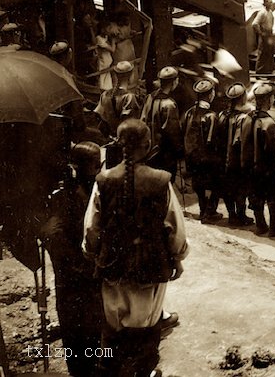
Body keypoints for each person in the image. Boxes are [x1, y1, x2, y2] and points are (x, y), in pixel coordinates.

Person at [83, 119, 188, 377]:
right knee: (146, 327)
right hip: (150, 268)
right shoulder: (162, 181)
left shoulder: (103, 180)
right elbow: (174, 228)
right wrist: (178, 258)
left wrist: (93, 254)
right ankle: (143, 371)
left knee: (114, 328)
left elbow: (91, 229)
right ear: (148, 145)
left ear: (119, 145)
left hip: (112, 267)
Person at [41, 142, 104, 377]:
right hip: (75, 280)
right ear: (78, 167)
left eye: (100, 164)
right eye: (94, 165)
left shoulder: (95, 191)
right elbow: (53, 236)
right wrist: (81, 267)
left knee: (96, 336)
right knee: (78, 338)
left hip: (91, 278)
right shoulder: (66, 197)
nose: (98, 170)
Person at [182, 78, 223, 223]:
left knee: (198, 184)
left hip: (192, 156)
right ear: (210, 94)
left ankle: (202, 209)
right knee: (217, 184)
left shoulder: (189, 113)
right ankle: (210, 211)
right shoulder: (211, 116)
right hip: (207, 157)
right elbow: (212, 140)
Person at [242, 83, 275, 235]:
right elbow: (273, 149)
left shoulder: (247, 118)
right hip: (266, 168)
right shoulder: (269, 123)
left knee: (255, 196)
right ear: (268, 100)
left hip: (250, 166)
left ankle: (260, 225)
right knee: (273, 197)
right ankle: (274, 229)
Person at [140, 66, 183, 180]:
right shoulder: (169, 104)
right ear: (174, 82)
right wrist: (179, 150)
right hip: (163, 153)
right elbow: (173, 132)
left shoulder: (150, 97)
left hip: (148, 149)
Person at [221, 83, 252, 227]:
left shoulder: (222, 115)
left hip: (223, 158)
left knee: (227, 188)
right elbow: (239, 141)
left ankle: (231, 215)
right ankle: (240, 215)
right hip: (236, 160)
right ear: (243, 98)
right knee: (240, 189)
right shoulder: (243, 118)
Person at [95, 60, 142, 138]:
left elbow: (100, 118)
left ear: (116, 74)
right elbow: (131, 124)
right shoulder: (129, 97)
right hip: (125, 138)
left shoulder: (105, 94)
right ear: (130, 74)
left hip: (110, 137)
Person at [252, 0, 275, 75]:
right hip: (264, 34)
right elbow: (255, 24)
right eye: (269, 2)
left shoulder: (270, 12)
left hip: (269, 33)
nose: (270, 4)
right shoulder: (262, 12)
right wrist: (261, 33)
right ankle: (259, 72)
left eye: (271, 2)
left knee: (269, 52)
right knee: (262, 53)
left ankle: (267, 70)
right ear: (265, 3)